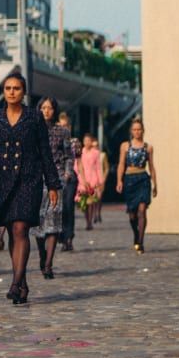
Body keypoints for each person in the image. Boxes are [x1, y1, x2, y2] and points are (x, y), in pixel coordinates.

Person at [0, 73, 60, 306]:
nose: (12, 92)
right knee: (13, 231)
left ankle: (14, 283)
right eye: (8, 88)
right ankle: (22, 284)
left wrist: (53, 184)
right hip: (3, 181)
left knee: (21, 227)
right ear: (3, 91)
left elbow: (45, 153)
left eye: (16, 88)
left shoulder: (34, 118)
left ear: (24, 92)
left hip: (29, 180)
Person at [34, 97, 76, 279]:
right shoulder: (32, 130)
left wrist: (67, 173)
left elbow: (69, 156)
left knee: (53, 221)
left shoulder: (63, 132)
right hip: (36, 180)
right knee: (38, 223)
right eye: (43, 108)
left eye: (49, 108)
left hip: (56, 179)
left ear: (55, 110)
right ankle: (42, 255)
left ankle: (49, 264)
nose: (46, 111)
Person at [115, 118, 158, 254]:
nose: (137, 132)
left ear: (143, 131)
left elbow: (151, 166)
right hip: (129, 180)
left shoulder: (148, 147)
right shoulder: (125, 146)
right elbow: (121, 164)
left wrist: (155, 184)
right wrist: (119, 181)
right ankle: (136, 233)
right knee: (132, 214)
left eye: (139, 129)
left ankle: (141, 241)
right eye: (134, 129)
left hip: (143, 179)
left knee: (142, 210)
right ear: (131, 131)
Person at [57, 111, 80, 251]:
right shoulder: (53, 140)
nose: (63, 129)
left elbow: (80, 162)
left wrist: (84, 180)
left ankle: (69, 237)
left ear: (70, 127)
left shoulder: (74, 142)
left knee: (68, 206)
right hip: (56, 178)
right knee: (59, 208)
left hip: (71, 178)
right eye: (61, 126)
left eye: (65, 126)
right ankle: (61, 236)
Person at [77, 133, 104, 231]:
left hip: (93, 178)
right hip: (83, 179)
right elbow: (77, 166)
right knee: (84, 202)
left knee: (91, 202)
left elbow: (98, 167)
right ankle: (87, 220)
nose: (87, 142)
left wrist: (100, 180)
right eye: (85, 141)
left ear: (91, 142)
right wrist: (80, 178)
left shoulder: (95, 153)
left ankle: (90, 222)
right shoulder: (80, 152)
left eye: (89, 140)